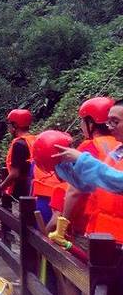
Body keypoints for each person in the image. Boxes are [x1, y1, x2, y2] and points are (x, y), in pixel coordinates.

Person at [53, 99, 123, 243]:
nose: (110, 127)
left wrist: (81, 160)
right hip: (105, 234)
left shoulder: (92, 146)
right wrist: (60, 166)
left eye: (115, 122)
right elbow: (90, 185)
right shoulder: (117, 151)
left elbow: (119, 182)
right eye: (109, 122)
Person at [0, 109, 36, 199]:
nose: (8, 127)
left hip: (22, 191)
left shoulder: (19, 144)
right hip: (33, 188)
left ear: (15, 125)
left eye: (9, 124)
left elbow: (14, 174)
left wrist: (0, 188)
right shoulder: (34, 140)